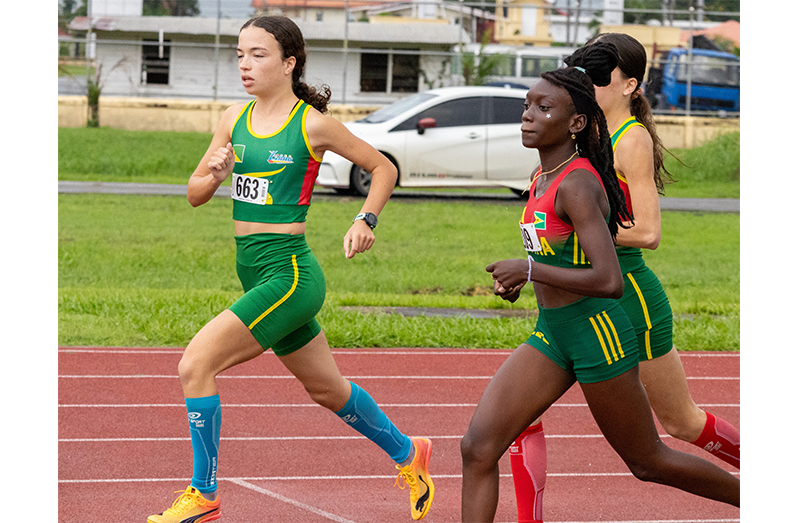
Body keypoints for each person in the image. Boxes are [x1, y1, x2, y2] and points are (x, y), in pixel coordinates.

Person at [146, 16, 434, 523]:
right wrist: (215, 176)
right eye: (239, 54)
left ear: (289, 62)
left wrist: (365, 218)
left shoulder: (311, 124)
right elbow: (193, 194)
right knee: (328, 390)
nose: (245, 65)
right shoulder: (233, 119)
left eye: (258, 54)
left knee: (196, 365)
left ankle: (204, 493)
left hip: (290, 275)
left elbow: (384, 166)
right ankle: (410, 454)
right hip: (254, 273)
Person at [458, 43, 740, 523]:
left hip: (598, 333)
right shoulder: (546, 176)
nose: (527, 116)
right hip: (554, 331)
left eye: (542, 108)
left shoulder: (577, 182)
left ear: (575, 123)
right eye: (527, 105)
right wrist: (525, 278)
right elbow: (551, 247)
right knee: (478, 448)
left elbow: (610, 280)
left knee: (648, 460)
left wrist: (528, 270)